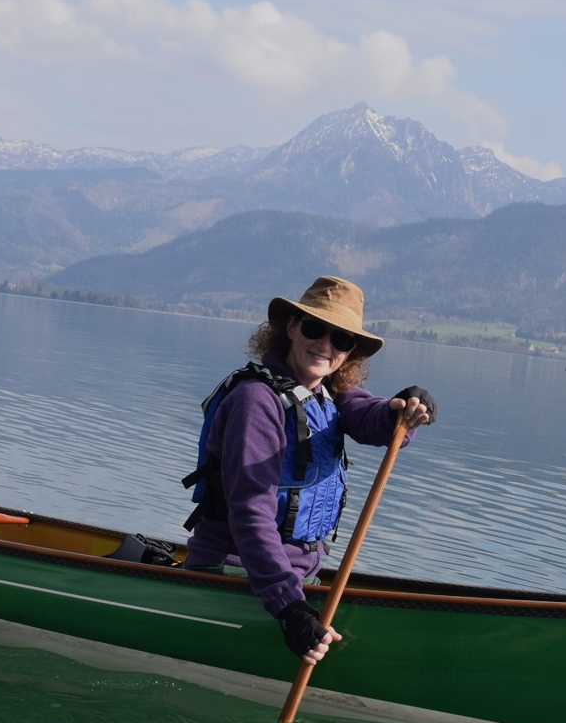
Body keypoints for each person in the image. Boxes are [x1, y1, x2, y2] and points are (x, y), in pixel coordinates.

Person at [183, 276, 435, 664]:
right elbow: (251, 514)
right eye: (315, 329)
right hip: (237, 574)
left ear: (350, 352)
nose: (325, 345)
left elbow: (369, 416)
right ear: (291, 328)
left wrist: (401, 410)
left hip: (295, 580)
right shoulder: (256, 401)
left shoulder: (328, 393)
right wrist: (290, 609)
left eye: (341, 340)